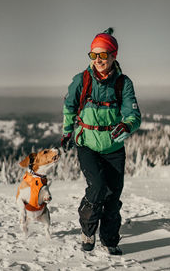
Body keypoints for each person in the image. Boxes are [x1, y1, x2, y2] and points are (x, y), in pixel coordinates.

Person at [61, 28, 141, 255]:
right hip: (87, 143)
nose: (98, 60)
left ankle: (110, 239)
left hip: (114, 147)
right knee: (96, 189)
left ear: (114, 55)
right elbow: (69, 108)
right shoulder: (82, 80)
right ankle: (88, 231)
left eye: (103, 55)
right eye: (93, 55)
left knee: (113, 196)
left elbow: (134, 115)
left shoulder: (123, 83)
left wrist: (127, 125)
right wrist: (67, 133)